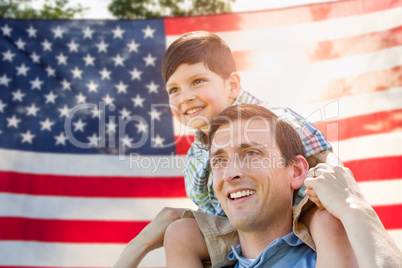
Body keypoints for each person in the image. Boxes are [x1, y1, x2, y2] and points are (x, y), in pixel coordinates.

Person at [114, 31, 354, 267]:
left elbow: (322, 153)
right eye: (174, 89)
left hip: (298, 211)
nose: (185, 97)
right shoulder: (196, 154)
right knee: (180, 233)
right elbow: (208, 208)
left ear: (232, 85)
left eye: (197, 81)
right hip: (239, 221)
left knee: (327, 222)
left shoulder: (267, 118)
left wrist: (340, 189)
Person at [198, 104, 401, 267]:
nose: (231, 173)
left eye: (252, 154)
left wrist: (353, 206)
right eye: (219, 161)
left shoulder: (338, 255)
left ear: (295, 172)